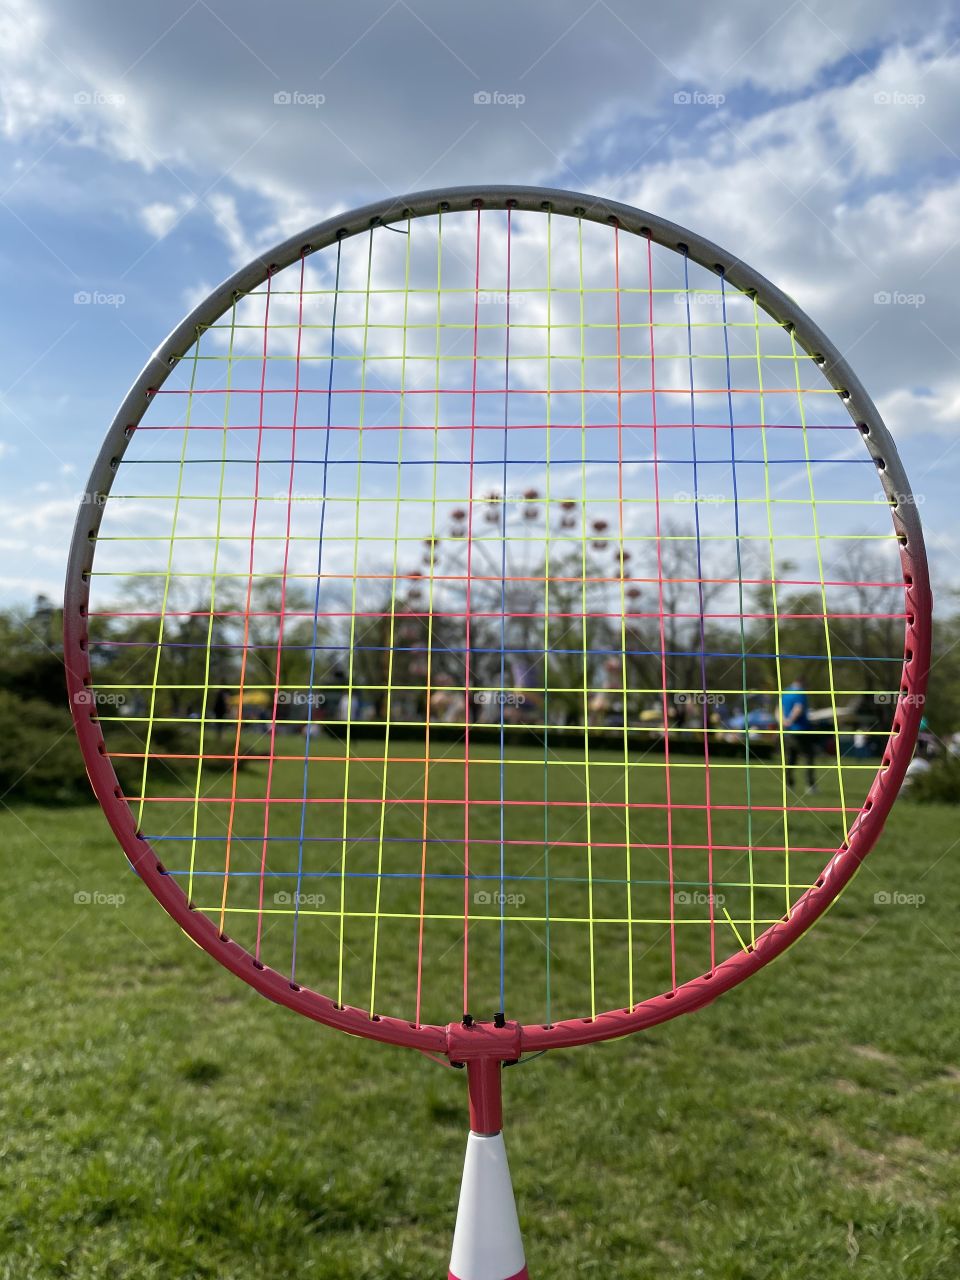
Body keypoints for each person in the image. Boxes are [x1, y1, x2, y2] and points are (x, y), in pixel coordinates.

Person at [781, 679, 816, 790]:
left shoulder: (785, 692)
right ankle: (810, 785)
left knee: (791, 757)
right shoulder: (800, 692)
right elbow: (798, 708)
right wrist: (790, 720)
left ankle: (788, 783)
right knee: (808, 757)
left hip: (788, 731)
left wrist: (783, 721)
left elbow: (778, 708)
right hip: (801, 730)